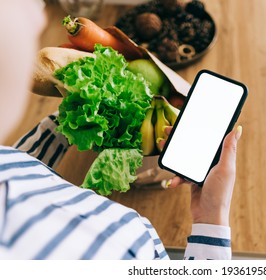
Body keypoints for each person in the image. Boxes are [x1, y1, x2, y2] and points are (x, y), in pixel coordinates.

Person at [0, 1, 242, 260]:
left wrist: (67, 121)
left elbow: (21, 168)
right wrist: (211, 219)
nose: (38, 13)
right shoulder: (120, 247)